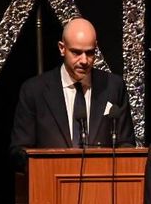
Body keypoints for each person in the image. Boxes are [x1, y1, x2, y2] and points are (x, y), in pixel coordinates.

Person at [9, 17, 135, 168]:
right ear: (62, 48)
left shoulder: (113, 87)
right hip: (51, 184)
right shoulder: (34, 91)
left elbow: (126, 145)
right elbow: (20, 151)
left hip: (101, 185)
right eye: (76, 52)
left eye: (90, 53)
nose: (84, 60)